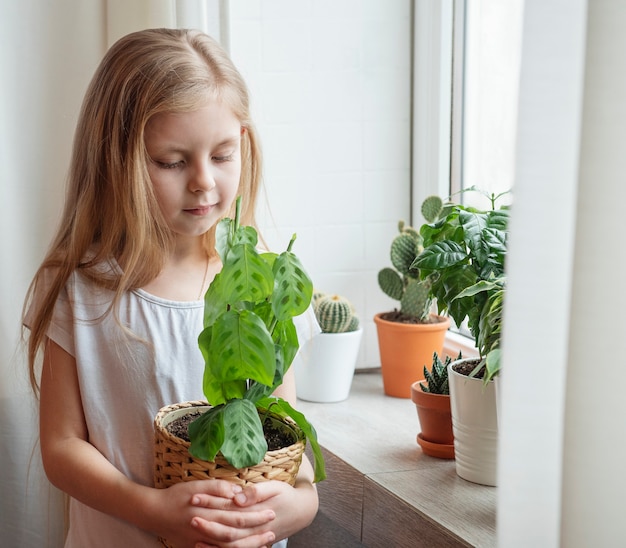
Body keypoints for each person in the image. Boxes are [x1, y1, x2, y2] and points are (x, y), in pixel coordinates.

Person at [23, 28, 319, 548]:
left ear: (244, 143)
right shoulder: (83, 287)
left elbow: (290, 448)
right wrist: (155, 511)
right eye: (173, 162)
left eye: (223, 155)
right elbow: (62, 447)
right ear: (119, 160)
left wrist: (299, 506)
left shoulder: (262, 287)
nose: (204, 181)